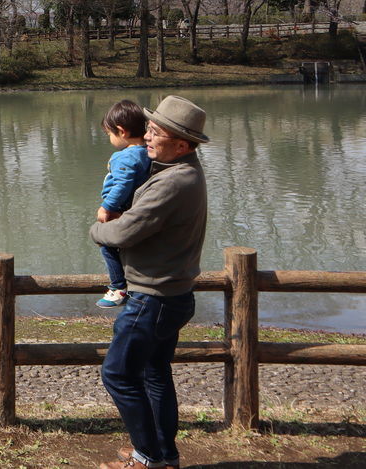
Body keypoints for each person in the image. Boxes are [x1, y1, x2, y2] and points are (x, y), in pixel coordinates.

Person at [90, 95, 208, 469]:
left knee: (118, 374)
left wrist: (97, 229)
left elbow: (124, 232)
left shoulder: (173, 181)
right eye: (150, 130)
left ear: (183, 144)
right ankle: (164, 455)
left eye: (157, 133)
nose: (149, 138)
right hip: (172, 294)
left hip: (152, 298)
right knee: (155, 373)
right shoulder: (180, 171)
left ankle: (147, 458)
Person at [94, 100, 152, 309]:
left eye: (109, 134)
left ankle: (118, 287)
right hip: (136, 209)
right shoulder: (148, 152)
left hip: (121, 209)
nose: (109, 139)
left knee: (107, 245)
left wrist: (107, 206)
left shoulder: (126, 156)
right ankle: (134, 283)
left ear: (122, 131)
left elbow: (122, 184)